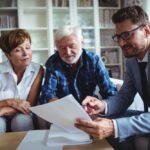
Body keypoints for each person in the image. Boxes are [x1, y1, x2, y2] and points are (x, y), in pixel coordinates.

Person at [75, 5, 150, 150]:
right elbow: (124, 97)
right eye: (118, 37)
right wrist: (102, 105)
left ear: (146, 31)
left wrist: (114, 127)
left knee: (113, 125)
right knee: (101, 119)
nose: (121, 43)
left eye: (127, 35)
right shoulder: (132, 61)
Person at [39, 25, 117, 104]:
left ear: (82, 44)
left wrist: (100, 103)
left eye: (72, 46)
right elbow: (48, 92)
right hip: (63, 109)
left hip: (89, 107)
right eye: (62, 48)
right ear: (57, 48)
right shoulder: (52, 62)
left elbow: (110, 91)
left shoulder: (94, 60)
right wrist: (53, 101)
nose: (68, 52)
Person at [0, 29, 44, 132]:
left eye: (28, 48)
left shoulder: (38, 70)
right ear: (8, 55)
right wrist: (9, 102)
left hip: (23, 113)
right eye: (18, 50)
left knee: (21, 121)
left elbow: (30, 104)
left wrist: (4, 109)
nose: (25, 53)